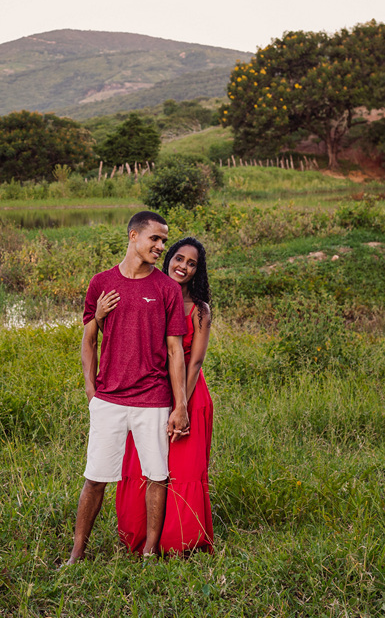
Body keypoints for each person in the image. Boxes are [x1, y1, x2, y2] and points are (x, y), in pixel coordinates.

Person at [66, 211, 189, 563]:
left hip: (153, 399)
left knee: (156, 475)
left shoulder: (166, 288)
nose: (161, 246)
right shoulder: (100, 282)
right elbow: (88, 341)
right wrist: (92, 390)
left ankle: (150, 551)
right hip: (110, 398)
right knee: (95, 477)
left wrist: (179, 404)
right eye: (156, 239)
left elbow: (175, 350)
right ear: (134, 236)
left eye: (164, 240)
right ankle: (77, 552)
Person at [113, 236, 214, 554]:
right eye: (179, 258)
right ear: (168, 258)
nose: (183, 266)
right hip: (149, 395)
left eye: (191, 263)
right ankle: (142, 537)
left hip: (188, 396)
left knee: (182, 469)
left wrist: (179, 405)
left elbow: (195, 362)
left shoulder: (199, 310)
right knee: (144, 465)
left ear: (197, 271)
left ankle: (177, 540)